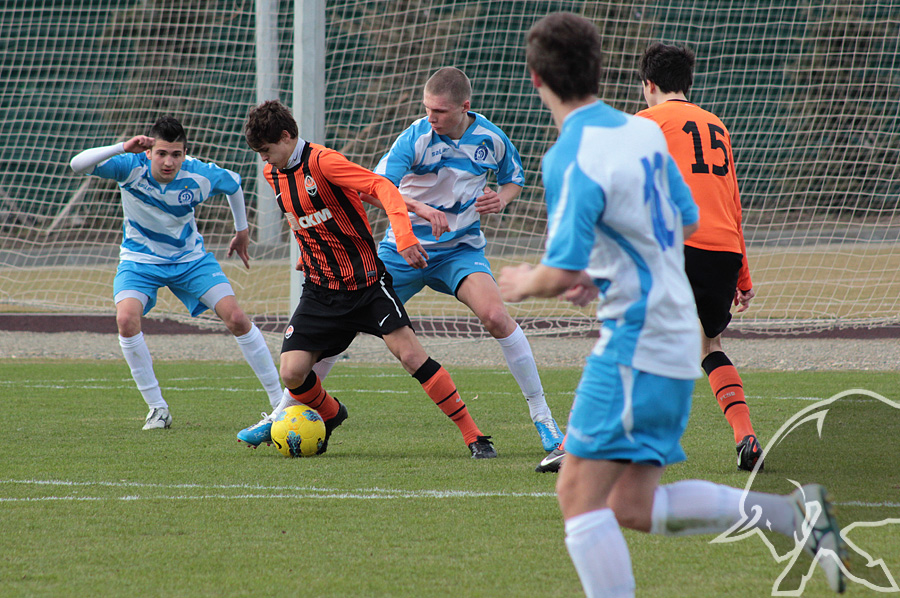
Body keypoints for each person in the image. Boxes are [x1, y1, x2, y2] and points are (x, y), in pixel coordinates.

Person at [498, 12, 847, 596]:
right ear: (600, 69)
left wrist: (523, 281)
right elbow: (684, 217)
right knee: (632, 506)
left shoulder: (570, 154)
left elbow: (558, 273)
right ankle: (794, 516)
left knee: (578, 497)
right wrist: (605, 269)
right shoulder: (637, 133)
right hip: (673, 329)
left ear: (535, 78)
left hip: (636, 339)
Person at [316, 67, 563, 454]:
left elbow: (514, 178)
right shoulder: (414, 138)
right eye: (427, 108)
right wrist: (418, 213)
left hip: (460, 250)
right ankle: (286, 408)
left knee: (496, 317)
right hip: (404, 249)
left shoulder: (491, 139)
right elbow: (373, 189)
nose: (431, 117)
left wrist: (501, 199)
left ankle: (543, 417)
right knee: (346, 321)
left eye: (440, 111)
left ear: (465, 107)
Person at [235, 100, 496, 459]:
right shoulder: (273, 174)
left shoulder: (324, 162)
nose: (264, 159)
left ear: (285, 136)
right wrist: (308, 252)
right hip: (321, 290)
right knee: (292, 372)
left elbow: (381, 187)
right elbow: (306, 216)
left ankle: (474, 435)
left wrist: (404, 235)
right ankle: (331, 413)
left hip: (366, 285)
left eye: (266, 150)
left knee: (411, 356)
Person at [69, 116, 284, 430]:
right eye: (161, 153)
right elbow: (77, 164)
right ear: (148, 152)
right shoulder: (130, 166)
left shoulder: (198, 174)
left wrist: (242, 231)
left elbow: (234, 184)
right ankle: (157, 409)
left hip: (190, 261)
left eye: (176, 154)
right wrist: (123, 146)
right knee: (126, 320)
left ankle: (280, 403)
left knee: (237, 317)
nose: (168, 162)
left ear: (185, 153)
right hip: (140, 262)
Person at [636, 42, 761, 471]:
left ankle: (578, 445)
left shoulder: (646, 122)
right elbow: (733, 204)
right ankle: (745, 436)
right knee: (710, 345)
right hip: (723, 249)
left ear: (649, 85)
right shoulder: (717, 125)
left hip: (675, 245)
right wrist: (743, 276)